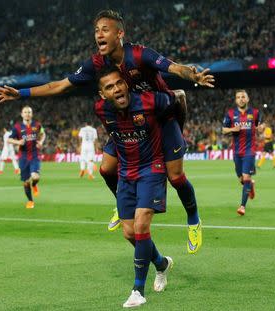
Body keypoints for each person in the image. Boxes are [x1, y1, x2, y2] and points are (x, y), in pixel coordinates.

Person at [0, 10, 213, 253]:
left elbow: (174, 67)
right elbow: (61, 85)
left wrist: (193, 75)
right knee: (106, 169)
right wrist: (20, 93)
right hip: (128, 120)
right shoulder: (96, 63)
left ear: (120, 34)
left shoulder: (139, 54)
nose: (99, 35)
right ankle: (122, 203)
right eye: (96, 31)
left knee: (176, 177)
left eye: (104, 29)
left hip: (161, 117)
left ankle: (193, 219)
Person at [95, 66, 176, 308]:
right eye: (109, 87)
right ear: (102, 95)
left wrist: (175, 146)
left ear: (126, 84)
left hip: (152, 168)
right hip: (126, 173)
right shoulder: (101, 110)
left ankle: (138, 290)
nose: (117, 88)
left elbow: (174, 101)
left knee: (141, 225)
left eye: (119, 83)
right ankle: (161, 264)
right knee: (130, 233)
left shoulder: (151, 101)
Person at [222, 90, 264, 216]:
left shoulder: (255, 112)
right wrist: (232, 129)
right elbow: (224, 130)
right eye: (238, 97)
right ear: (236, 100)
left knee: (246, 177)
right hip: (236, 151)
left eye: (243, 97)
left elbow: (261, 126)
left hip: (249, 151)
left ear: (247, 99)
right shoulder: (230, 114)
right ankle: (250, 186)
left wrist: (261, 128)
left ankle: (242, 206)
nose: (241, 99)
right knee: (241, 179)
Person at [7, 106, 46, 209]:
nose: (27, 114)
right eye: (25, 112)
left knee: (35, 177)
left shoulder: (37, 125)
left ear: (31, 114)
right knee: (26, 181)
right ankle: (30, 201)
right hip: (23, 157)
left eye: (29, 112)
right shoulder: (17, 127)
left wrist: (41, 142)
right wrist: (18, 142)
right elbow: (9, 140)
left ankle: (34, 185)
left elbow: (43, 134)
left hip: (34, 155)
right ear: (22, 114)